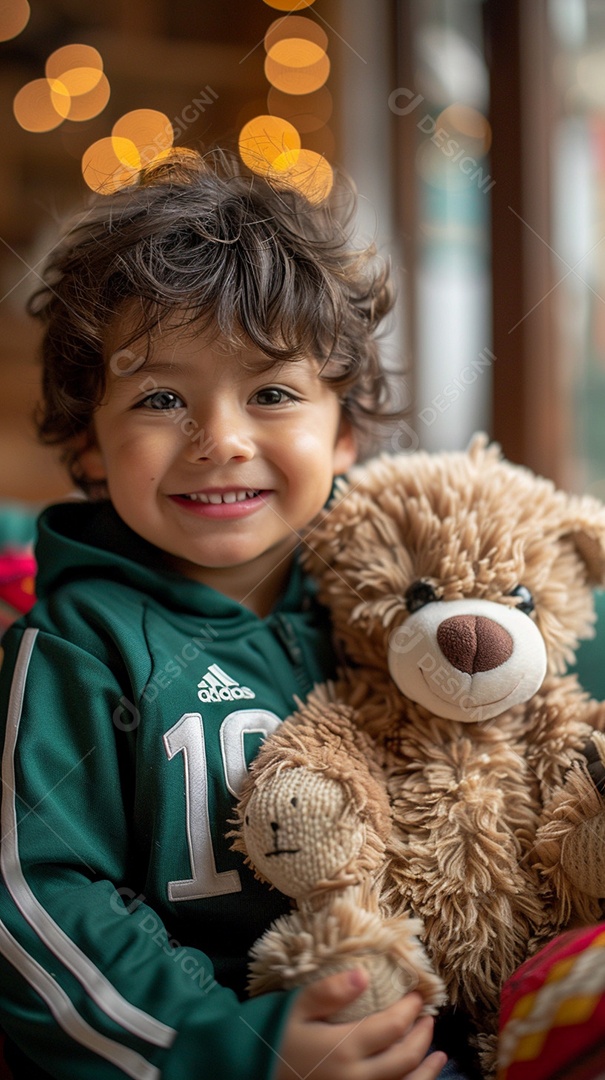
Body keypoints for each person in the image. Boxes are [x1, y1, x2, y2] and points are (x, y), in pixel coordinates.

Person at [0, 148, 450, 1079]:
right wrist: (238, 1051)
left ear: (345, 430)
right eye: (161, 397)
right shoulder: (73, 649)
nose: (223, 441)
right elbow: (31, 896)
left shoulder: (402, 619)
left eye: (273, 394)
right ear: (90, 441)